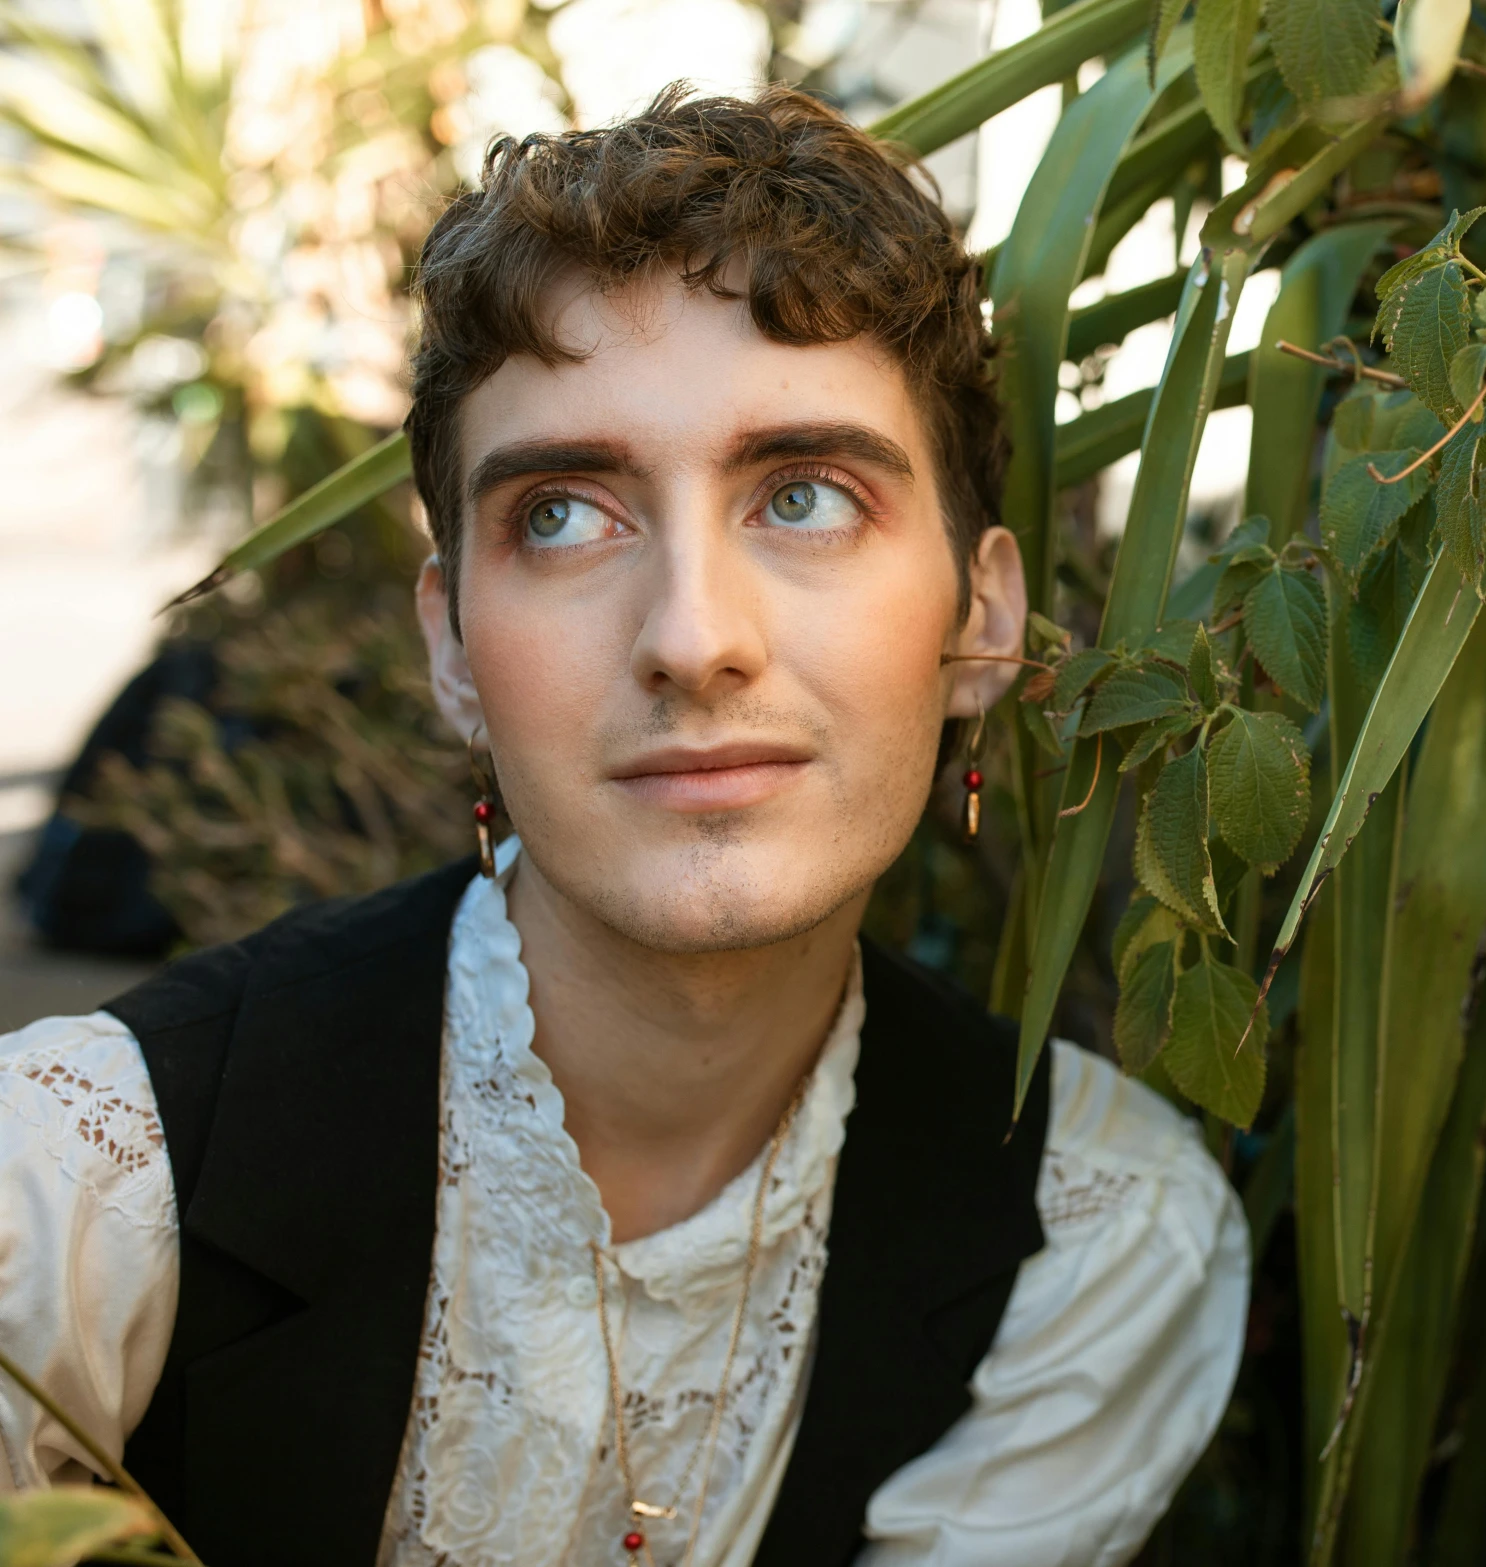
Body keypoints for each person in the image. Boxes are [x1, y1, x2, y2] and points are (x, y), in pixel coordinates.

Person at [0, 85, 1249, 1566]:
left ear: (980, 621)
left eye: (803, 496)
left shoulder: (1095, 1239)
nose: (694, 638)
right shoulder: (73, 1197)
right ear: (454, 647)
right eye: (565, 514)